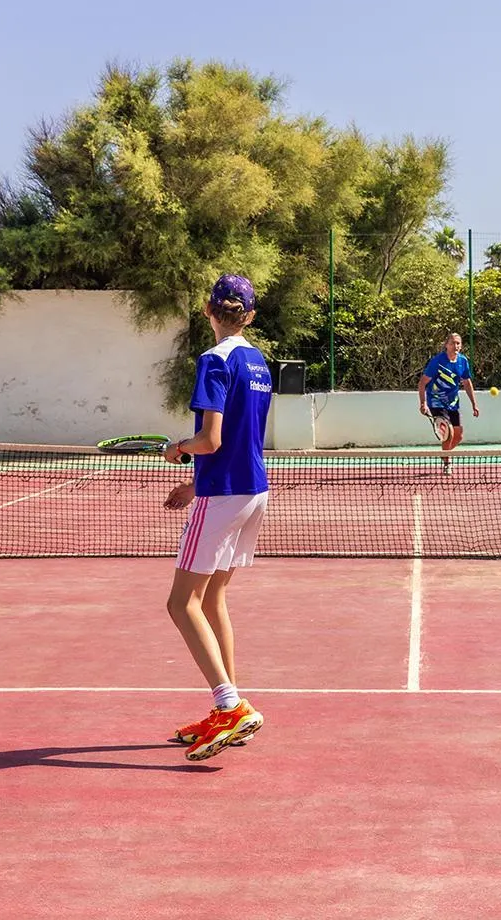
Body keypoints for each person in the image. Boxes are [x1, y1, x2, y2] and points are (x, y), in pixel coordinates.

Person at [159, 274, 274, 762]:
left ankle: (228, 704)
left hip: (225, 493)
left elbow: (210, 441)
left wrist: (176, 450)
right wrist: (196, 484)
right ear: (247, 315)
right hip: (252, 490)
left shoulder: (214, 360)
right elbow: (243, 439)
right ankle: (232, 704)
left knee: (180, 603)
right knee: (214, 599)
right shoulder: (259, 364)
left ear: (208, 310)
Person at [418, 332, 480, 472]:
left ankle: (444, 454)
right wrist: (423, 403)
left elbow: (467, 382)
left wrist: (474, 404)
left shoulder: (463, 361)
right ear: (446, 345)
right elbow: (422, 383)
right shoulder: (437, 361)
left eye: (458, 343)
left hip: (453, 403)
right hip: (436, 402)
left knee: (458, 436)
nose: (455, 346)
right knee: (449, 432)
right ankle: (447, 462)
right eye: (452, 343)